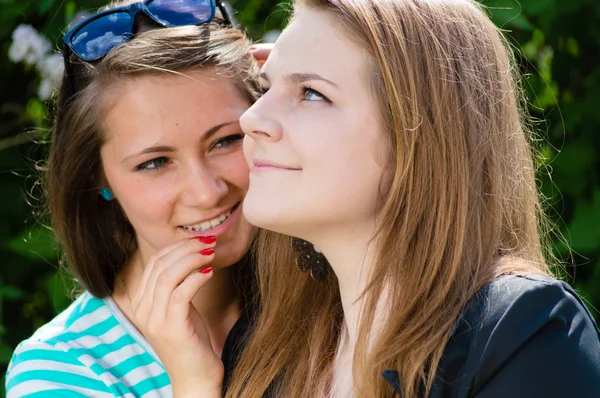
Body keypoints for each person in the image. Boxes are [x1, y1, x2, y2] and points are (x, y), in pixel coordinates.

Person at [225, 0, 600, 397]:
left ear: (420, 136)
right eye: (265, 89)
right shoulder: (271, 353)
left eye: (312, 93)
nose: (252, 119)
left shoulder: (518, 336)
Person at [5, 0, 261, 397]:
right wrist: (194, 385)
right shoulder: (61, 368)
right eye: (156, 162)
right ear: (97, 177)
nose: (207, 191)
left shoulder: (339, 296)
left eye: (226, 140)